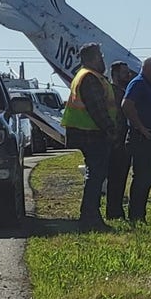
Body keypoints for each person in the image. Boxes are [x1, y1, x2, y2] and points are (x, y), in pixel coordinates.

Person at [61, 43, 119, 230]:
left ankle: (90, 216)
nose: (103, 60)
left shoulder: (87, 76)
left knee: (95, 175)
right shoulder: (89, 78)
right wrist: (110, 130)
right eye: (100, 56)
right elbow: (97, 109)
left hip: (89, 133)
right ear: (93, 58)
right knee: (96, 176)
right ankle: (90, 217)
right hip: (91, 134)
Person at [121, 57, 151, 223]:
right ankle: (135, 215)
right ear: (145, 68)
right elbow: (127, 105)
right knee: (141, 177)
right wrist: (141, 128)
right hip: (141, 138)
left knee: (148, 177)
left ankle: (140, 214)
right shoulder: (138, 83)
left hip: (150, 137)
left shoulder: (149, 86)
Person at [105, 61, 133, 220]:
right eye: (125, 73)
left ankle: (116, 210)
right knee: (115, 177)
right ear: (115, 75)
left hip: (122, 140)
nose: (128, 76)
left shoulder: (123, 91)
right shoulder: (112, 92)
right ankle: (113, 212)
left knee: (121, 177)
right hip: (115, 142)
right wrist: (114, 139)